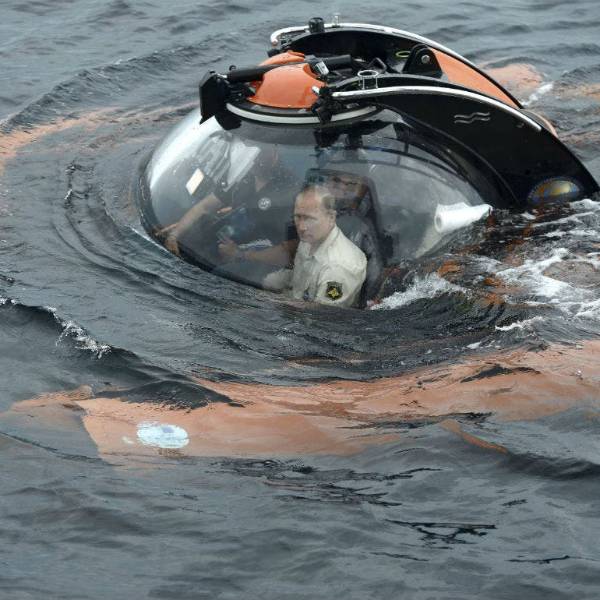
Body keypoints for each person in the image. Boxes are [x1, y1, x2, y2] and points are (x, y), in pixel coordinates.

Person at [266, 185, 367, 307]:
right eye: (298, 217)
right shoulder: (310, 238)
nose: (301, 227)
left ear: (331, 218)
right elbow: (299, 275)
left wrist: (273, 301)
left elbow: (320, 314)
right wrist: (267, 282)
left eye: (309, 219)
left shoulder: (338, 268)